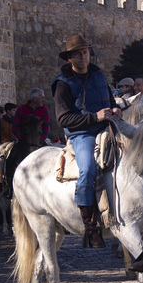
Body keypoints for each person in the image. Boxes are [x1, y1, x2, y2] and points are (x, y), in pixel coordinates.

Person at [52, 34, 117, 249]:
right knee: (87, 169)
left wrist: (117, 109)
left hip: (108, 126)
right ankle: (91, 228)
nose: (83, 56)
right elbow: (63, 119)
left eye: (85, 52)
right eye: (78, 53)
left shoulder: (99, 76)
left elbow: (112, 100)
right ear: (69, 58)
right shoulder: (63, 84)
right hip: (82, 133)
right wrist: (94, 117)